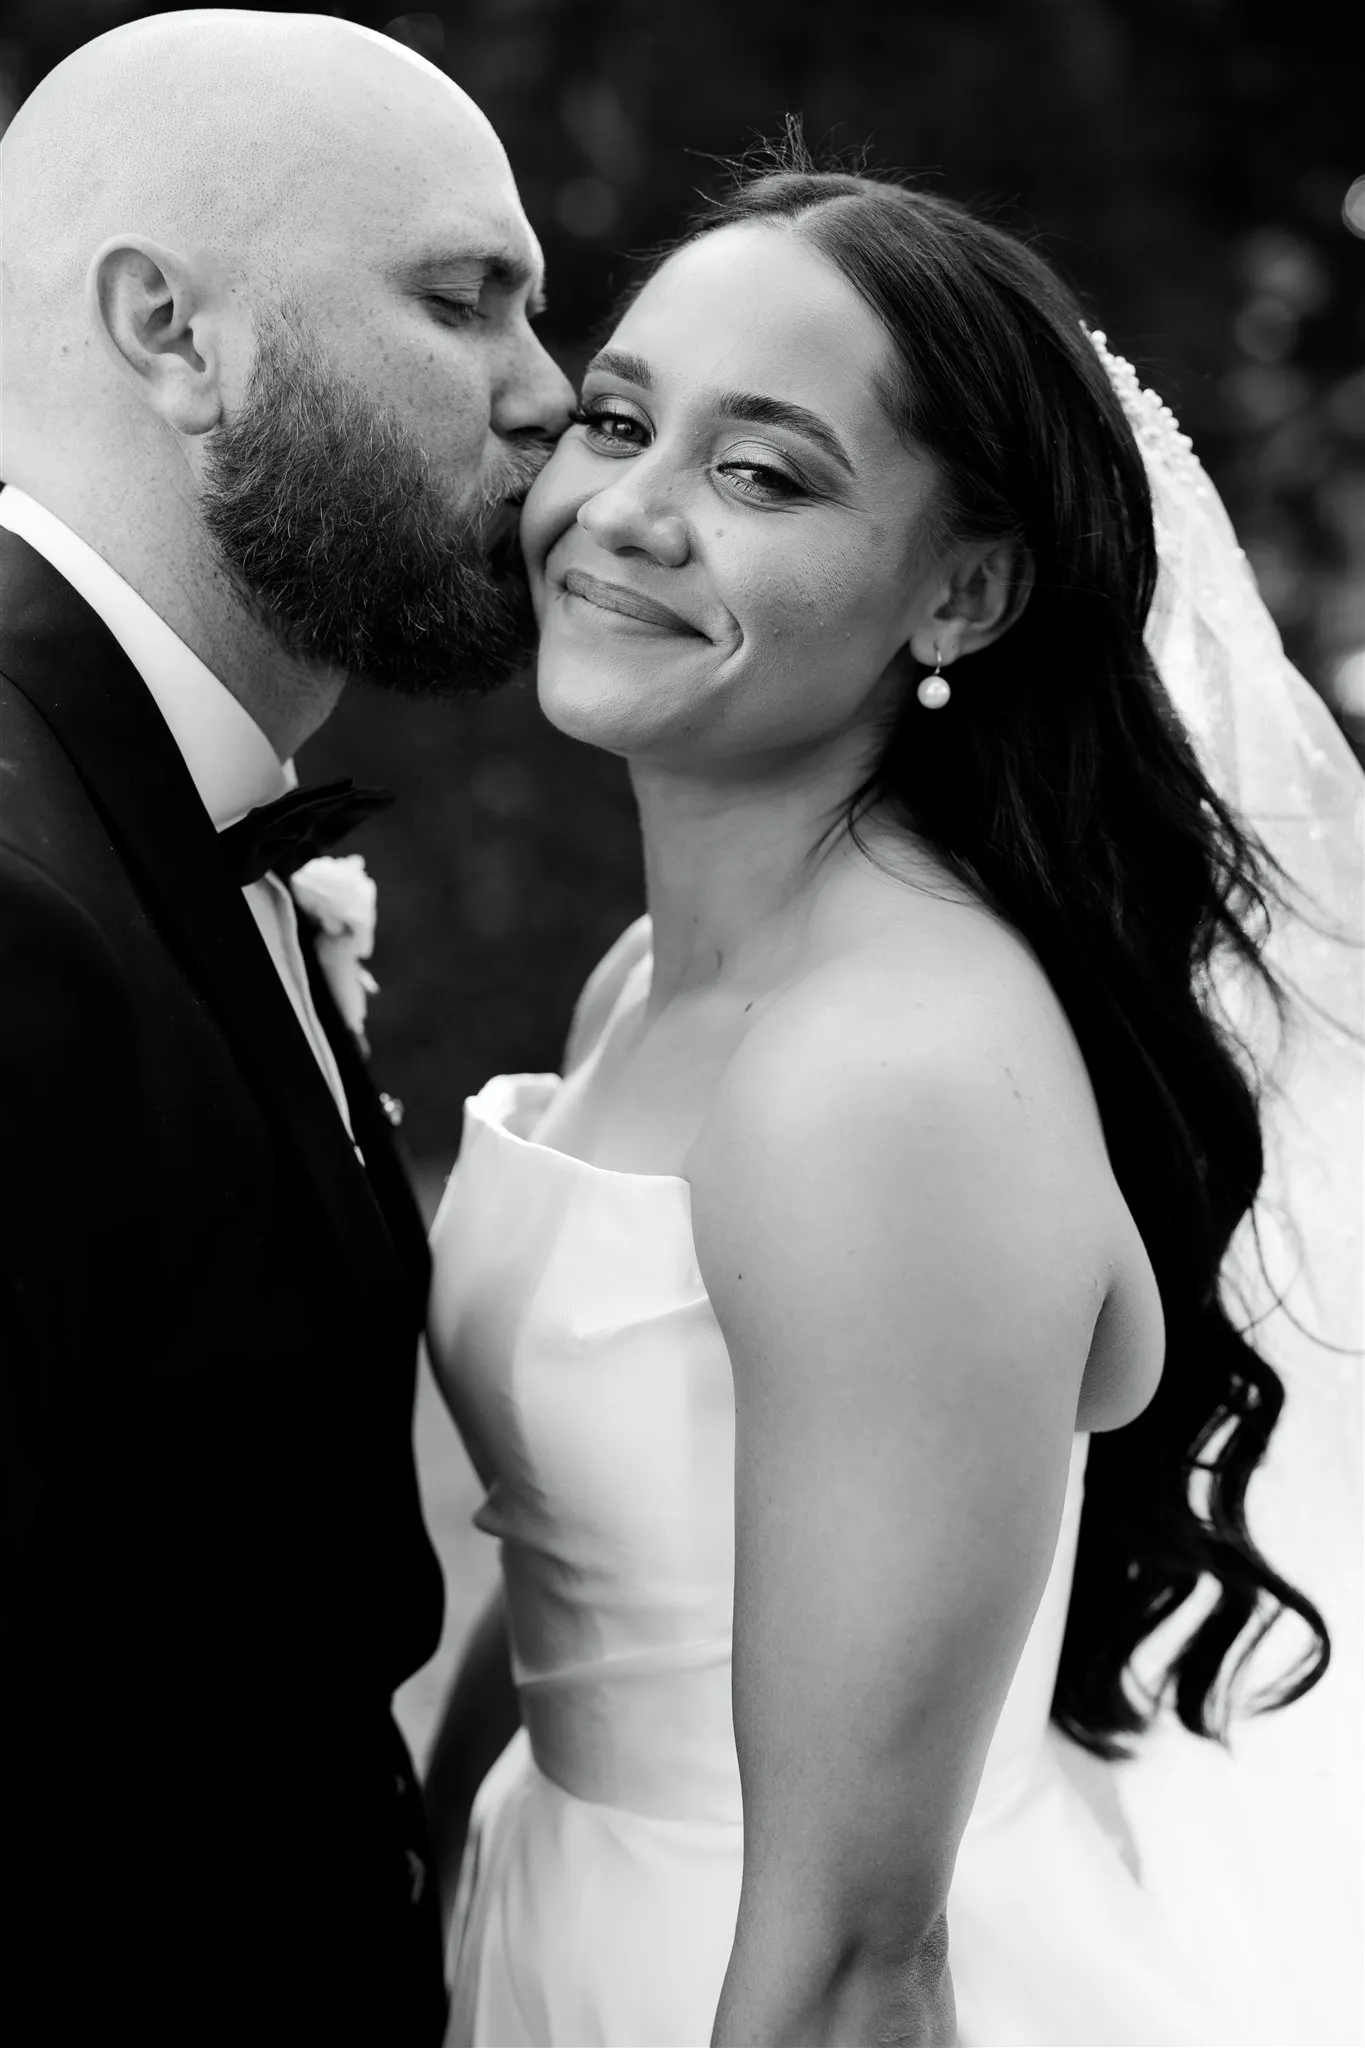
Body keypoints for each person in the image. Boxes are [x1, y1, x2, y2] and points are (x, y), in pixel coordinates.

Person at [425, 151, 1364, 2045]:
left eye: (760, 473)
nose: (628, 511)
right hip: (568, 1898)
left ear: (965, 594)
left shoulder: (884, 1087)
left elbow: (861, 1953)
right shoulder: (657, 977)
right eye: (619, 418)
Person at [0, 12, 571, 2040]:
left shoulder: (170, 812)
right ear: (171, 330)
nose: (548, 394)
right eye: (462, 300)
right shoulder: (17, 898)